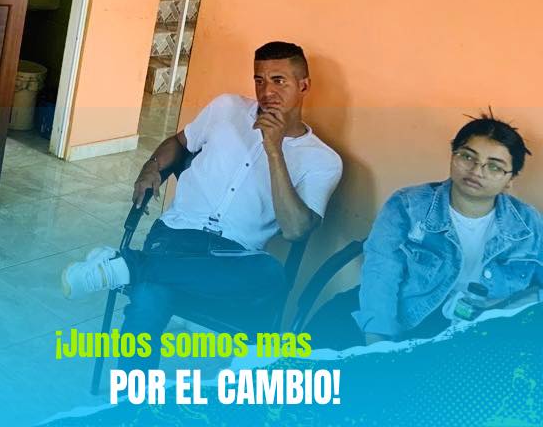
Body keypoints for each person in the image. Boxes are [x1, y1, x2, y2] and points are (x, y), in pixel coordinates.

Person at [61, 41, 343, 369]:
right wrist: (151, 166)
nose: (267, 92)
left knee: (269, 275)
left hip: (235, 257)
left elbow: (296, 230)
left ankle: (125, 265)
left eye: (279, 80)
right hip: (175, 235)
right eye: (259, 80)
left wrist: (274, 150)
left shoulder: (323, 160)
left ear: (303, 86)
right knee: (151, 293)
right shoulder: (227, 108)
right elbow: (180, 142)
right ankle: (132, 394)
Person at [308, 114, 542, 347]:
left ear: (510, 179)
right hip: (408, 317)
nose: (477, 171)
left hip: (476, 336)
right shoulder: (408, 205)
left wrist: (514, 308)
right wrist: (378, 344)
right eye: (467, 156)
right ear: (453, 155)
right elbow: (381, 273)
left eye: (494, 166)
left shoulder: (529, 223)